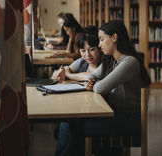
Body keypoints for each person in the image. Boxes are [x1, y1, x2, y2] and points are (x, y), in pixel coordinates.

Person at [55, 20, 151, 156]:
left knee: (70, 126)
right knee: (69, 124)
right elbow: (92, 76)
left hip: (127, 121)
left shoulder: (129, 62)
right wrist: (90, 81)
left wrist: (92, 82)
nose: (99, 45)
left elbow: (99, 88)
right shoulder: (111, 60)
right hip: (112, 113)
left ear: (114, 38)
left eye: (101, 39)